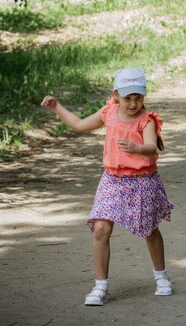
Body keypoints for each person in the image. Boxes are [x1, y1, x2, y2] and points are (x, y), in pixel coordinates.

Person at [40, 67, 174, 306]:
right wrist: (56, 107)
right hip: (112, 179)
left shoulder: (146, 120)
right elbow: (80, 125)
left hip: (141, 180)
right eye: (127, 97)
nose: (133, 103)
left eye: (138, 97)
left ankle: (161, 277)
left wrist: (137, 148)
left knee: (149, 229)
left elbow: (152, 147)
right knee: (101, 229)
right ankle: (100, 286)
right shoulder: (109, 111)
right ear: (115, 95)